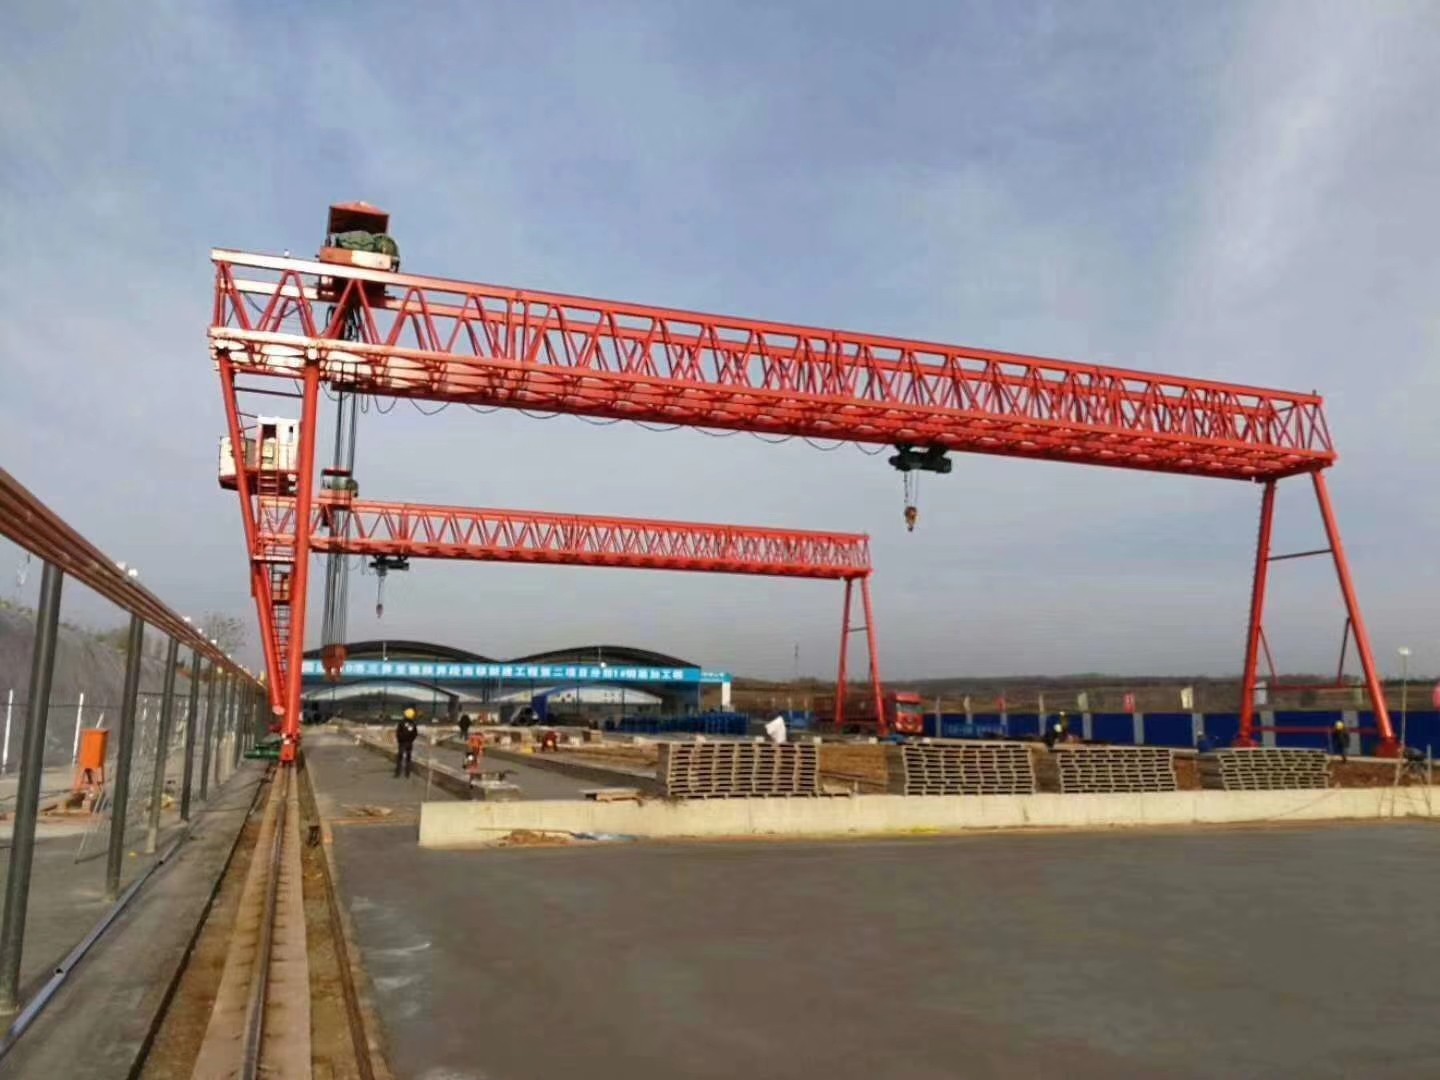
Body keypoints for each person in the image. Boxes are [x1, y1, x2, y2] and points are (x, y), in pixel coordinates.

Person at [395, 708, 420, 778]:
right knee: (408, 758)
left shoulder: (401, 723)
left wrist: (400, 740)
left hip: (402, 743)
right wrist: (411, 740)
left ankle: (397, 773)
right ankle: (407, 773)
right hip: (409, 743)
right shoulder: (413, 724)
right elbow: (415, 733)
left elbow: (398, 733)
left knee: (400, 758)